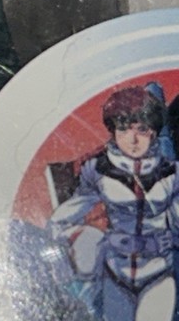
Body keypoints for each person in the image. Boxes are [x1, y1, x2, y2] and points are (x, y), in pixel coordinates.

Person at [50, 85, 179, 320]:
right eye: (123, 129)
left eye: (142, 129)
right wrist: (65, 234)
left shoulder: (172, 173)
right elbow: (69, 212)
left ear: (152, 131)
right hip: (115, 272)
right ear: (113, 130)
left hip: (158, 272)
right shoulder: (98, 170)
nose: (133, 139)